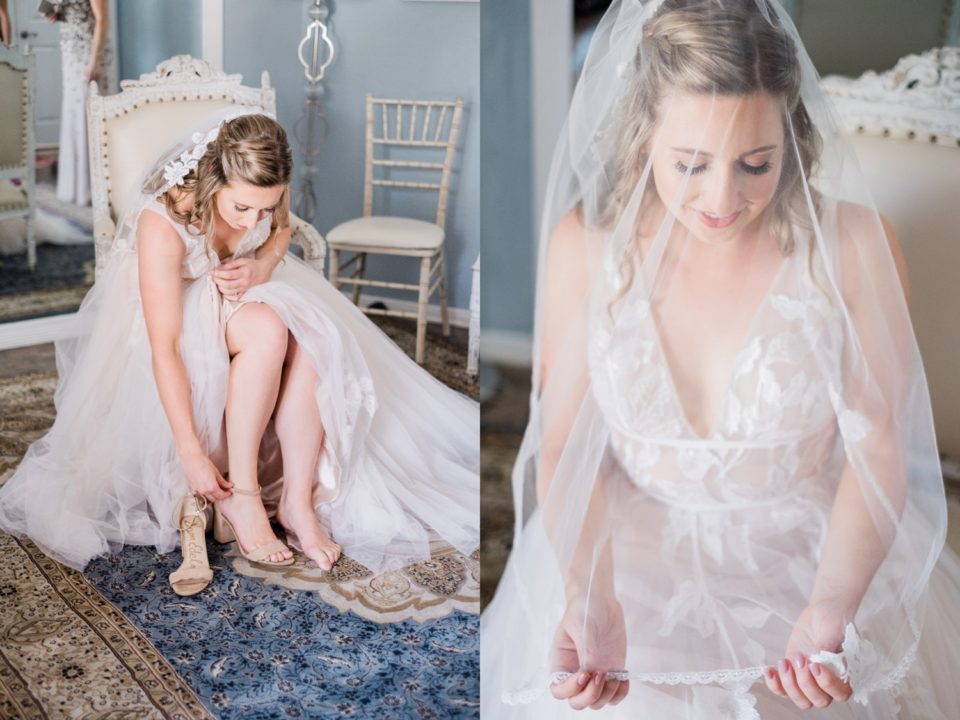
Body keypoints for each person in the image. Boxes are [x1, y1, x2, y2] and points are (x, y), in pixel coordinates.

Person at [480, 0, 960, 717]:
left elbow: (879, 449)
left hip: (812, 553)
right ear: (644, 138)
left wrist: (831, 607)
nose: (722, 198)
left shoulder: (856, 245)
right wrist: (588, 594)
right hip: (622, 549)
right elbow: (563, 448)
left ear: (791, 135)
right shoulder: (585, 248)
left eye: (755, 163)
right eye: (691, 164)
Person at [0, 108, 479, 597]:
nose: (257, 218)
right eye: (243, 209)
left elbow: (282, 233)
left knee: (317, 337)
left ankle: (297, 502)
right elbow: (163, 347)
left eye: (265, 208)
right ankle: (245, 496)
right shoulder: (164, 221)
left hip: (249, 284)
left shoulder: (265, 175)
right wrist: (190, 454)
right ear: (214, 182)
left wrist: (263, 262)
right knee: (270, 330)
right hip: (180, 312)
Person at [43, 0, 110, 205]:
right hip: (69, 51)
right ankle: (74, 186)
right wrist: (50, 14)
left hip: (87, 51)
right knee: (73, 112)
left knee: (88, 114)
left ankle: (94, 189)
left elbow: (102, 19)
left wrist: (94, 59)